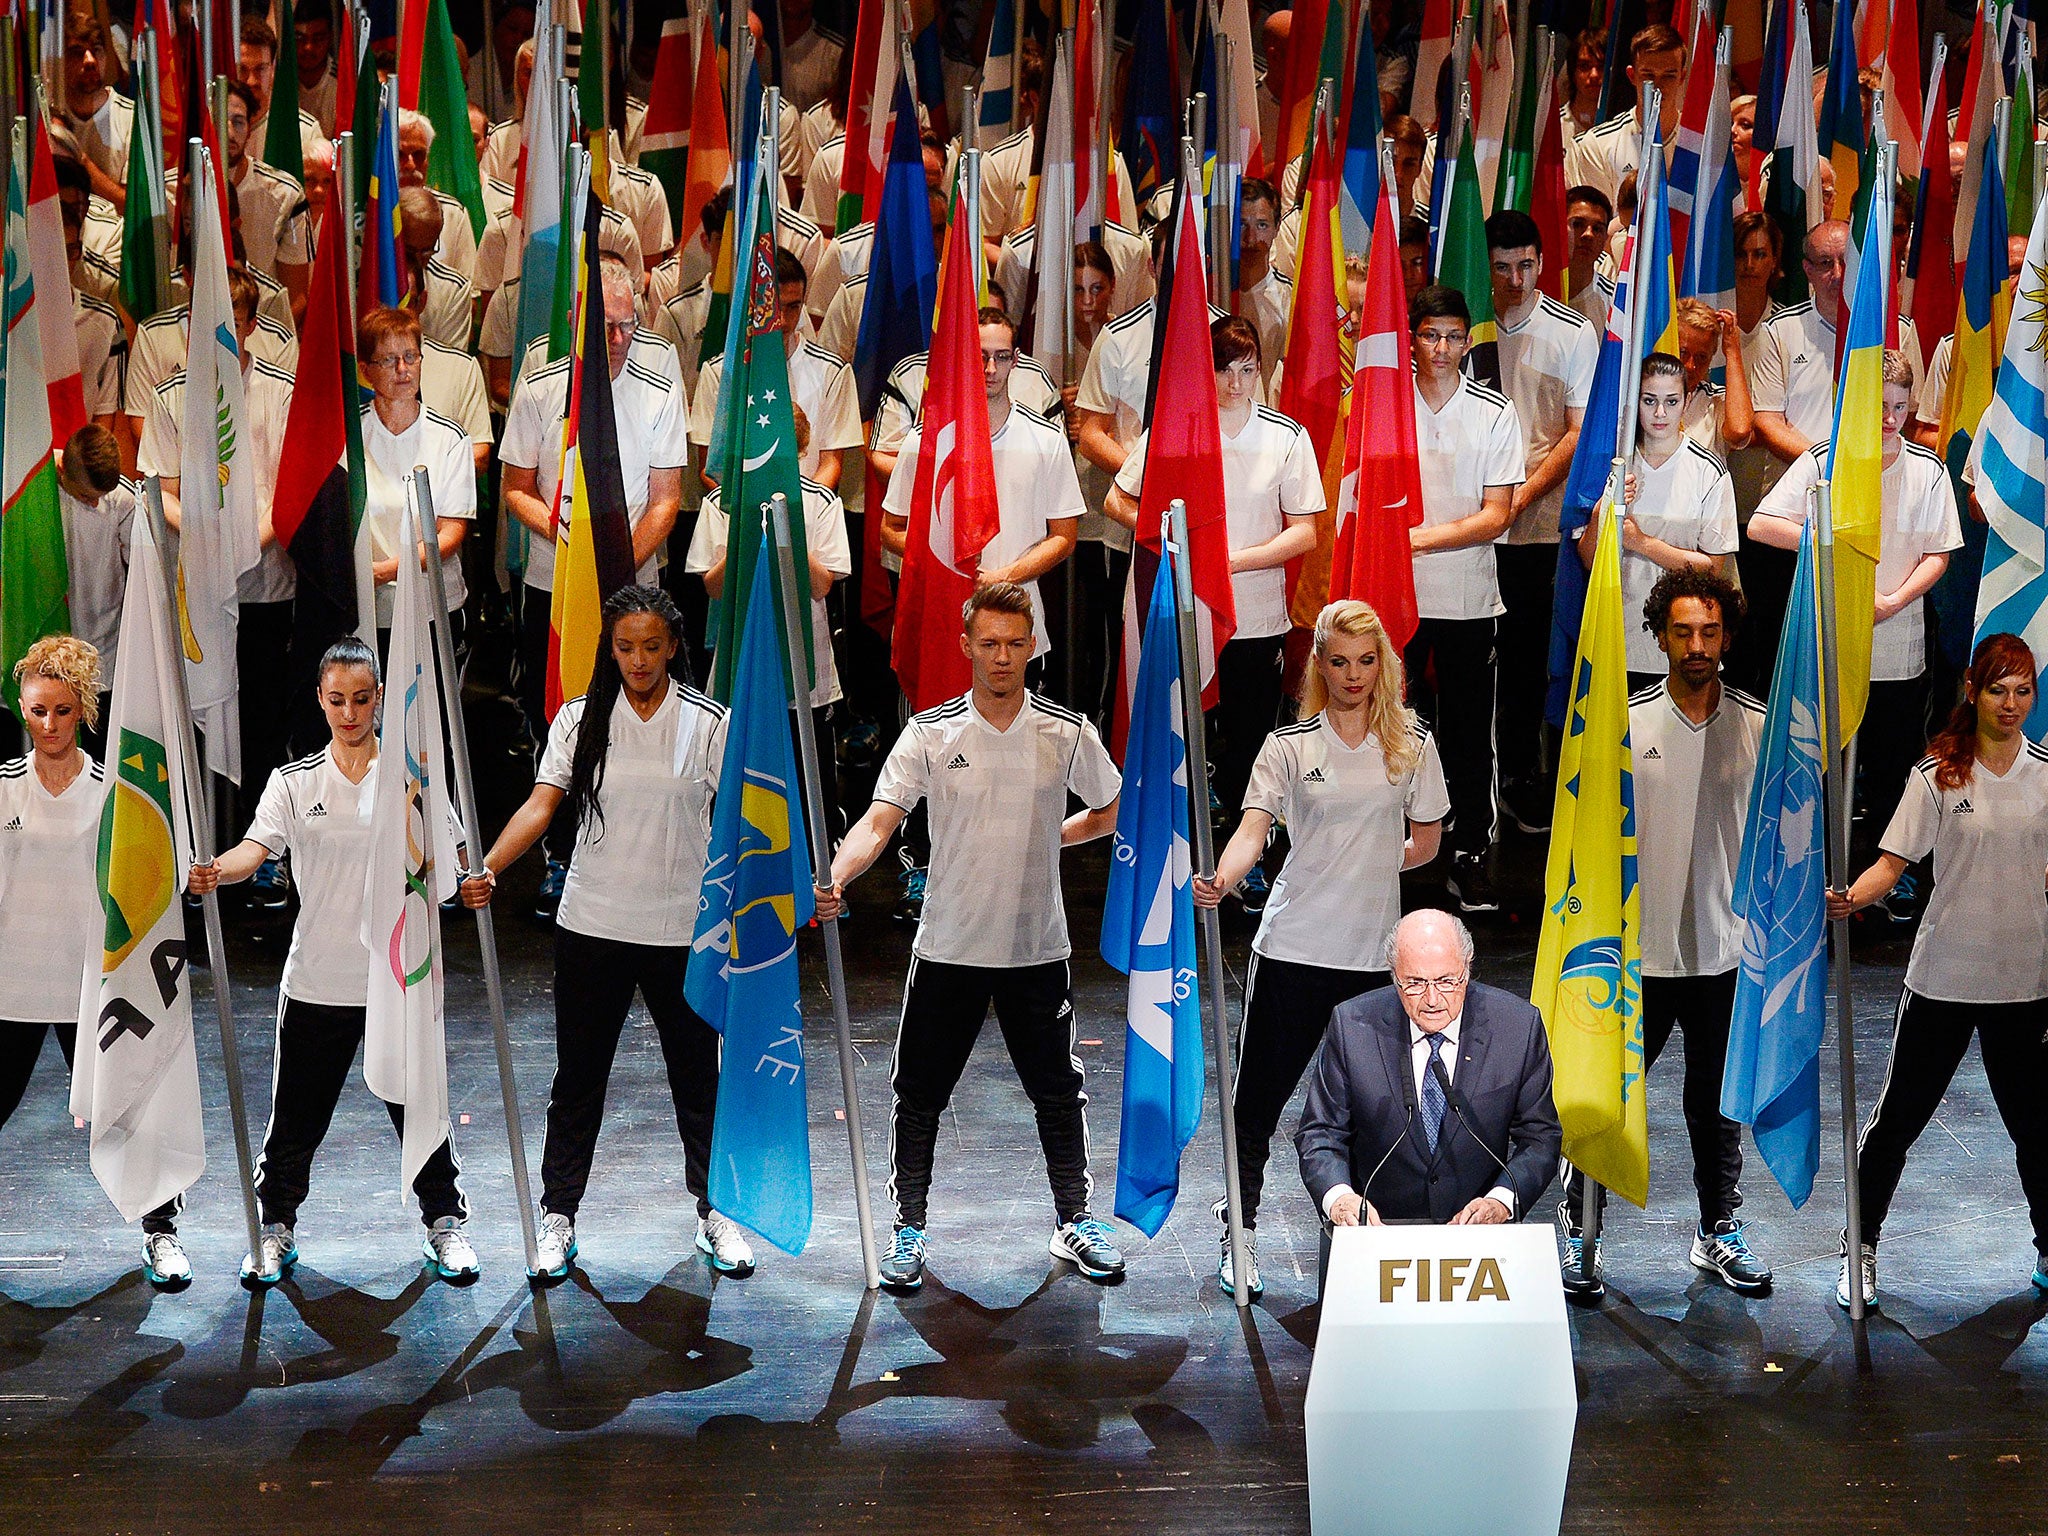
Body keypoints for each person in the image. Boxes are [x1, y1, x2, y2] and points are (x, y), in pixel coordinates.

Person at [814, 583, 1124, 1293]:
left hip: (1035, 950)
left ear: (1032, 645)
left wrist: (1053, 840)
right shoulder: (930, 733)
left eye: (1016, 643)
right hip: (948, 948)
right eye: (989, 643)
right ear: (966, 647)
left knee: (1057, 1090)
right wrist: (834, 878)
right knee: (919, 1094)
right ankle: (909, 1229)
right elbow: (877, 823)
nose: (1003, 656)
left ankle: (1074, 1218)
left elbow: (1110, 808)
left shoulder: (1066, 732)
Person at [460, 587, 757, 1281]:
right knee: (579, 1080)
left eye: (652, 646)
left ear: (675, 646)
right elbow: (542, 804)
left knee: (698, 1079)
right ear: (610, 649)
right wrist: (491, 866)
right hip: (593, 927)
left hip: (683, 931)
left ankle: (717, 1213)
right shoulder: (578, 719)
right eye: (626, 647)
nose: (639, 660)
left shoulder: (710, 722)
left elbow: (746, 820)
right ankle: (558, 1216)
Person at [187, 638, 480, 1284]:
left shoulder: (414, 777)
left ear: (379, 698)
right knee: (293, 1121)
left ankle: (445, 1224)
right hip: (318, 981)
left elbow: (454, 863)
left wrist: (471, 880)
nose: (350, 712)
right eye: (337, 700)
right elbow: (253, 851)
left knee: (419, 1108)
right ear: (321, 700)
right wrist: (216, 873)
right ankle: (275, 1229)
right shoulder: (294, 784)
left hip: (395, 981)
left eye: (362, 698)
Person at [1195, 601, 1448, 1296]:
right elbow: (1254, 829)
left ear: (1384, 666)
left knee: (1370, 1114)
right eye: (1338, 661)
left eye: (1366, 661)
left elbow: (1423, 844)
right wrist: (1225, 875)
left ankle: (1363, 1239)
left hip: (1372, 964)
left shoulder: (1413, 745)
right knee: (1259, 1103)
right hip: (1292, 952)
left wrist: (1362, 863)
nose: (1352, 675)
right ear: (1320, 666)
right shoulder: (1288, 747)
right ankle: (1239, 1230)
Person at [1556, 571, 1773, 1297]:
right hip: (1632, 960)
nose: (1697, 646)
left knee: (1717, 1106)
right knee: (1604, 1100)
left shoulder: (1759, 725)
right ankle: (1581, 1230)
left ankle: (1719, 1232)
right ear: (1658, 637)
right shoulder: (1625, 723)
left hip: (1723, 954)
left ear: (1728, 639)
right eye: (1683, 632)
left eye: (1710, 632)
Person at [1826, 633, 2048, 1310]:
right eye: (1997, 688)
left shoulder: (2046, 772)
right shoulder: (1937, 775)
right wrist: (1849, 899)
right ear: (1971, 692)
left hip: (2025, 987)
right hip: (1944, 981)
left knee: (2038, 1130)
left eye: (2022, 690)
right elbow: (1892, 865)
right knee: (1897, 1121)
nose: (2010, 703)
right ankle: (1860, 1247)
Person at [1107, 315, 1321, 907]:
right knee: (1182, 737)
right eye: (1224, 370)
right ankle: (1175, 854)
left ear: (1261, 370)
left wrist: (1229, 562)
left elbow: (1305, 530)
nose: (1235, 383)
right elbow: (1116, 499)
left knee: (1251, 741)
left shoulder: (1285, 436)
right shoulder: (1176, 430)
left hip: (1254, 617)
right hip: (1183, 613)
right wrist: (1174, 543)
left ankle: (1244, 859)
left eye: (1247, 369)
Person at [501, 254, 688, 917]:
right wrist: (566, 546)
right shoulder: (542, 389)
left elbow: (667, 501)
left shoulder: (661, 390)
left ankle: (632, 852)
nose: (618, 339)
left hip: (636, 595)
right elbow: (516, 490)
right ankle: (559, 856)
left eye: (628, 325)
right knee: (555, 720)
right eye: (606, 327)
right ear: (579, 320)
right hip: (555, 591)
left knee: (637, 722)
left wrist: (612, 570)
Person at [1749, 348, 1961, 908]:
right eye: (1879, 405)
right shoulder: (1826, 461)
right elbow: (1762, 523)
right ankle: (1818, 880)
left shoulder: (1929, 469)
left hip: (1900, 646)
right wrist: (1826, 543)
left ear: (1910, 406)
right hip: (1831, 644)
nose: (1888, 417)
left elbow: (1939, 553)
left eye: (1898, 406)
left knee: (1895, 767)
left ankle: (1890, 882)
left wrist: (1891, 600)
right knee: (1823, 767)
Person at [1295, 910, 1561, 1249]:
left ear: (1468, 967)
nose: (1433, 1000)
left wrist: (1501, 1202)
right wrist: (1340, 1199)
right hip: (1377, 1237)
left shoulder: (1517, 1027)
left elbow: (1541, 1137)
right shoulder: (1352, 1026)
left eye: (1447, 981)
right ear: (1394, 977)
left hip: (1479, 1239)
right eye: (1416, 984)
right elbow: (1321, 1131)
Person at [1404, 284, 1525, 912]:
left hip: (1469, 600)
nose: (1443, 348)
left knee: (1470, 734)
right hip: (1395, 600)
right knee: (1395, 728)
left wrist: (1418, 539)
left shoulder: (1493, 410)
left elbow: (1496, 516)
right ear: (1412, 337)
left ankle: (1472, 849)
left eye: (1455, 336)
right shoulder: (1382, 401)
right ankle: (1399, 846)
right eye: (1431, 336)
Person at [1488, 207, 1599, 837]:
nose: (1514, 280)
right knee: (1466, 657)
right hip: (1469, 522)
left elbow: (1578, 433)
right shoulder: (1467, 325)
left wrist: (1520, 496)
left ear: (1539, 262)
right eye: (1501, 268)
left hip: (1533, 521)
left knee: (1529, 657)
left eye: (1525, 265)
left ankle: (1524, 782)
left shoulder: (1571, 330)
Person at [0, 640, 107, 1163]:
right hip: (12, 984)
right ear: (22, 708)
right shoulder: (1, 789)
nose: (49, 724)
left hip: (88, 985)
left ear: (83, 709)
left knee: (124, 1117)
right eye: (39, 711)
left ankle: (160, 1232)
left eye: (63, 711)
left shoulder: (114, 792)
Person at [1577, 352, 1738, 688]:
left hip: (1683, 646)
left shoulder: (1709, 471)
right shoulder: (1615, 462)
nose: (1660, 413)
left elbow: (1713, 568)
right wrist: (1602, 509)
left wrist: (1643, 543)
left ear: (1685, 401)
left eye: (1671, 401)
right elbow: (1589, 559)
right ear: (1635, 402)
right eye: (1650, 401)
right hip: (1618, 637)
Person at [359, 307, 476, 651]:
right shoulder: (350, 438)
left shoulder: (450, 438)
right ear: (366, 371)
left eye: (410, 356)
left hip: (434, 609)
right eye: (389, 359)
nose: (402, 369)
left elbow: (452, 533)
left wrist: (388, 571)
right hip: (370, 613)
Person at [1564, 24, 1688, 205]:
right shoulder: (1596, 145)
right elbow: (1597, 226)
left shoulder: (1700, 141)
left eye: (1669, 75)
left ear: (1682, 77)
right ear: (1632, 75)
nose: (1658, 86)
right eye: (1648, 75)